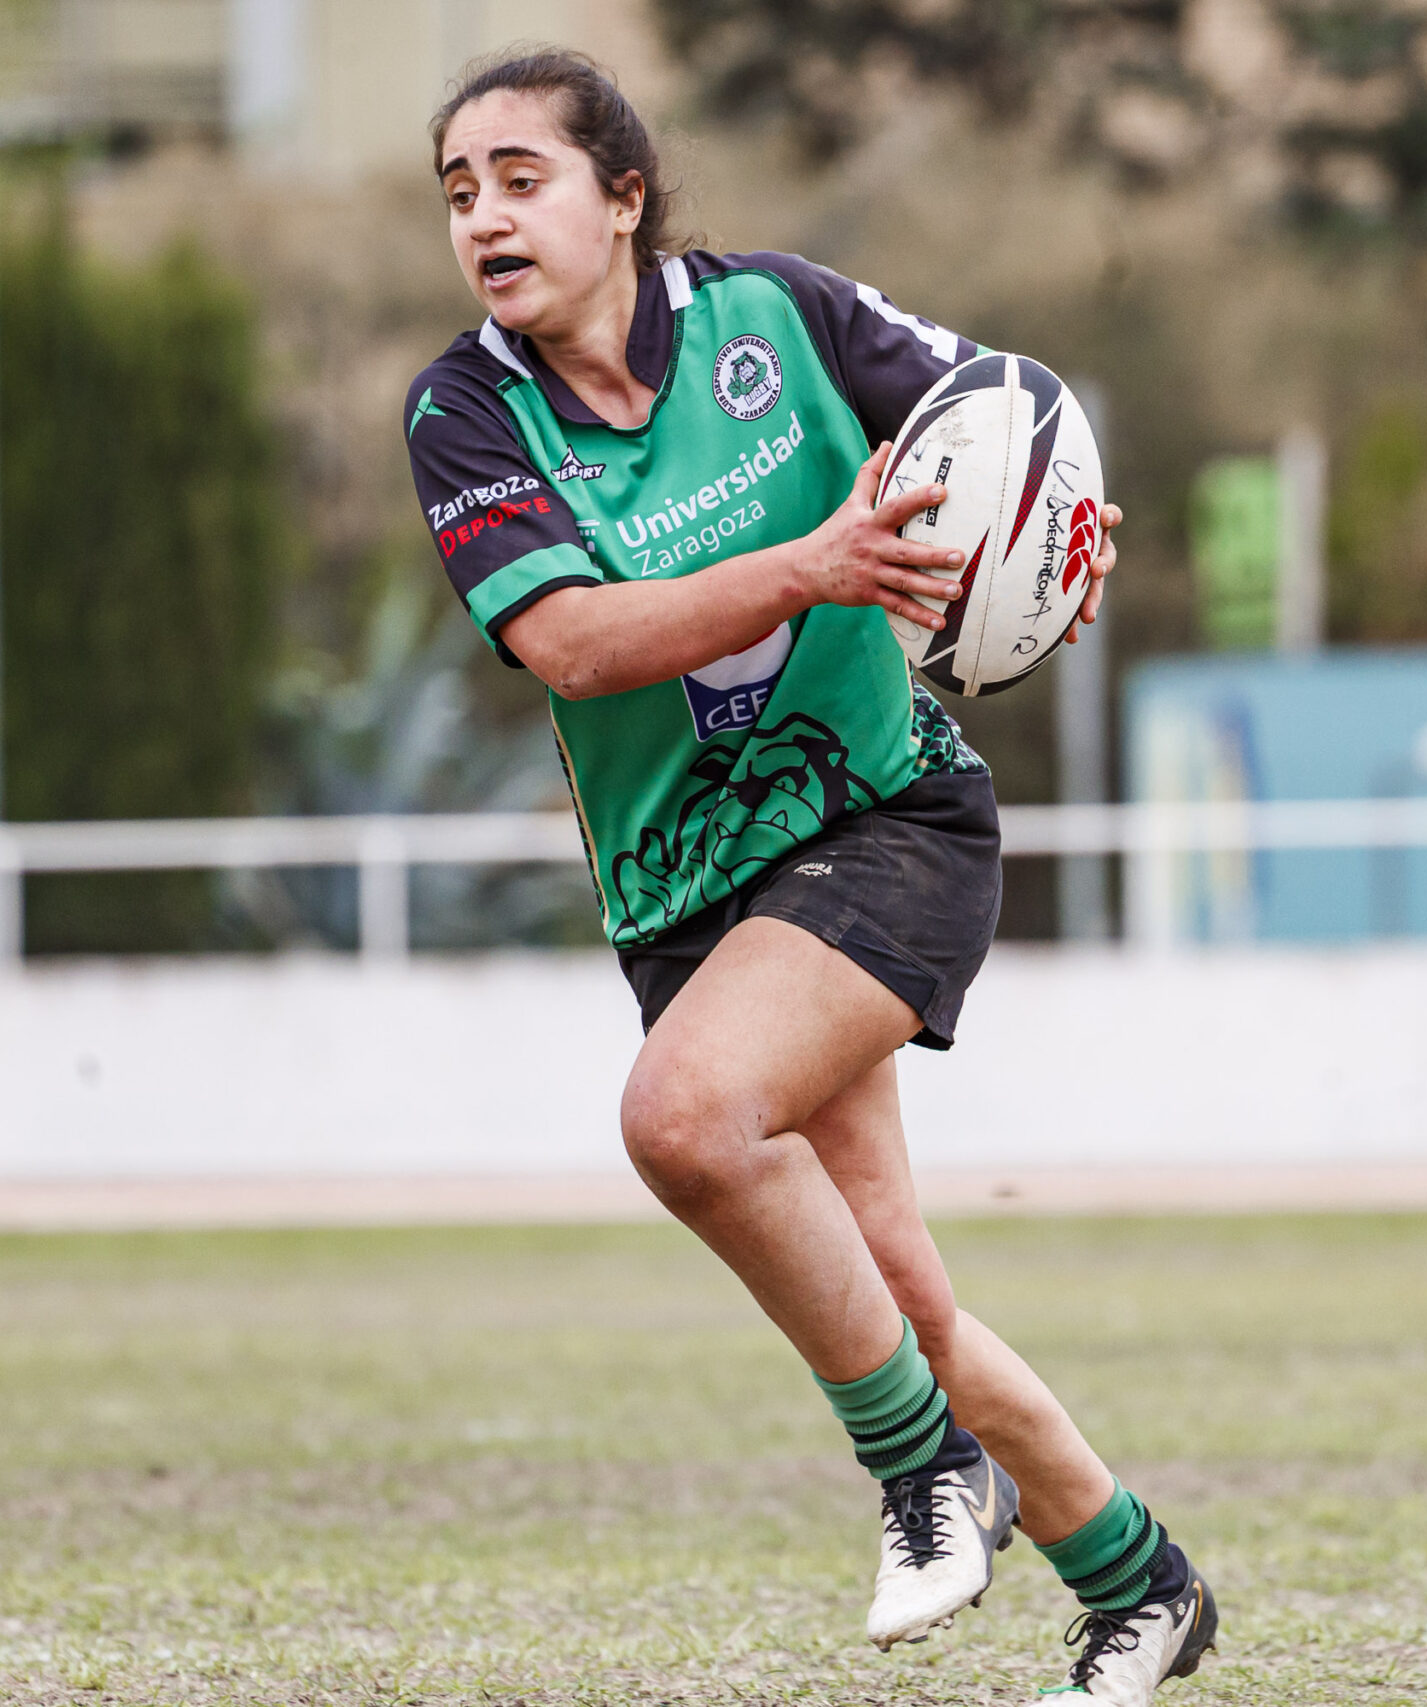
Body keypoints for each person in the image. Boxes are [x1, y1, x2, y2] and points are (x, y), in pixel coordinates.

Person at [402, 48, 1220, 1705]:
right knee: (896, 1295)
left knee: (683, 1120)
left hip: (884, 816)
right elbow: (573, 645)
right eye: (460, 192)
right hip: (688, 898)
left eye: (522, 178)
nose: (485, 216)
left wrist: (1056, 521)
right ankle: (1142, 1586)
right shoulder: (465, 412)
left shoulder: (774, 313)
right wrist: (814, 563)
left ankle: (929, 1479)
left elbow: (1000, 412)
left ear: (624, 197)